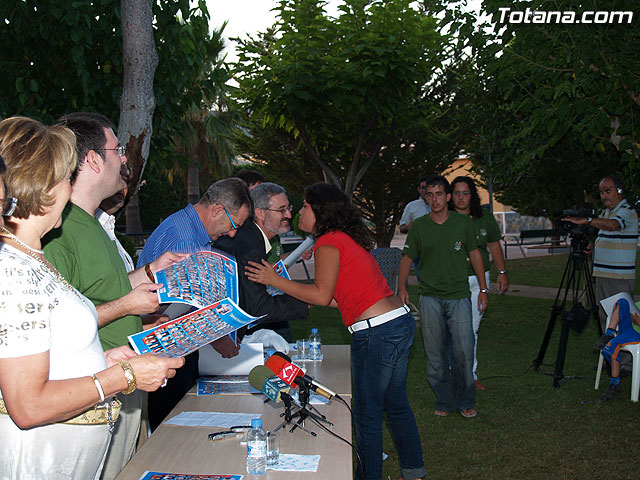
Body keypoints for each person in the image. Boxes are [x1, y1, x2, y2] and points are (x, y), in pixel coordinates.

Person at [0, 116, 184, 479]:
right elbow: (28, 405)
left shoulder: (31, 259)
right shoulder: (14, 269)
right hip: (40, 461)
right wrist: (122, 376)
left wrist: (104, 359)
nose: (69, 190)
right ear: (44, 186)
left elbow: (53, 348)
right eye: (66, 178)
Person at [246, 183, 426, 480]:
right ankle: (414, 470)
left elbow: (320, 294)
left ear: (320, 212)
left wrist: (274, 281)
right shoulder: (342, 239)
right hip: (397, 322)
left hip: (377, 331)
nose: (298, 212)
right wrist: (292, 291)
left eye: (305, 206)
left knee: (367, 413)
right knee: (395, 403)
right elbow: (336, 298)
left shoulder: (328, 242)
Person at [138, 177, 252, 430]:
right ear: (217, 210)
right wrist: (220, 340)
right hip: (164, 350)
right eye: (234, 225)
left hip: (172, 348)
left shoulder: (189, 229)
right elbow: (184, 305)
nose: (232, 233)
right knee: (174, 432)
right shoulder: (184, 241)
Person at [397, 175, 488, 418]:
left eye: (439, 194)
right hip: (429, 297)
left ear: (448, 197)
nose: (435, 199)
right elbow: (406, 258)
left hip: (459, 296)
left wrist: (483, 289)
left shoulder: (463, 223)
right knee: (435, 353)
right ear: (425, 198)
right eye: (430, 195)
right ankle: (444, 400)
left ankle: (465, 400)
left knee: (463, 350)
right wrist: (402, 288)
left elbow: (475, 254)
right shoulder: (419, 226)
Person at [214, 182, 309, 342]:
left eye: (288, 208)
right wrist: (306, 300)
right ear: (260, 213)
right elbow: (257, 307)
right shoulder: (249, 246)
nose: (288, 215)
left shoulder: (249, 237)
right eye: (281, 210)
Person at [450, 176, 509, 390]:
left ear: (472, 195)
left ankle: (470, 375)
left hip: (478, 279)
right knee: (451, 328)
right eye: (457, 193)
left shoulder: (484, 217)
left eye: (465, 193)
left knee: (471, 328)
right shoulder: (444, 218)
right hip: (452, 280)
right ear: (450, 196)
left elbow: (493, 245)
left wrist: (502, 273)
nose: (461, 198)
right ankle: (452, 369)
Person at [562, 176, 638, 331]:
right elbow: (607, 234)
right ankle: (610, 347)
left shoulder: (626, 212)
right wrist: (592, 245)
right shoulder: (606, 213)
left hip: (618, 278)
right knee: (605, 319)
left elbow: (614, 225)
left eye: (607, 191)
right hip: (603, 275)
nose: (604, 196)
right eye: (601, 192)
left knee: (620, 321)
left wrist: (587, 220)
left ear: (619, 191)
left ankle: (625, 348)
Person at [594, 297, 640, 401]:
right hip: (630, 331)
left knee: (612, 345)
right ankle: (609, 332)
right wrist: (631, 317)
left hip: (637, 335)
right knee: (622, 301)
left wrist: (637, 321)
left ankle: (615, 383)